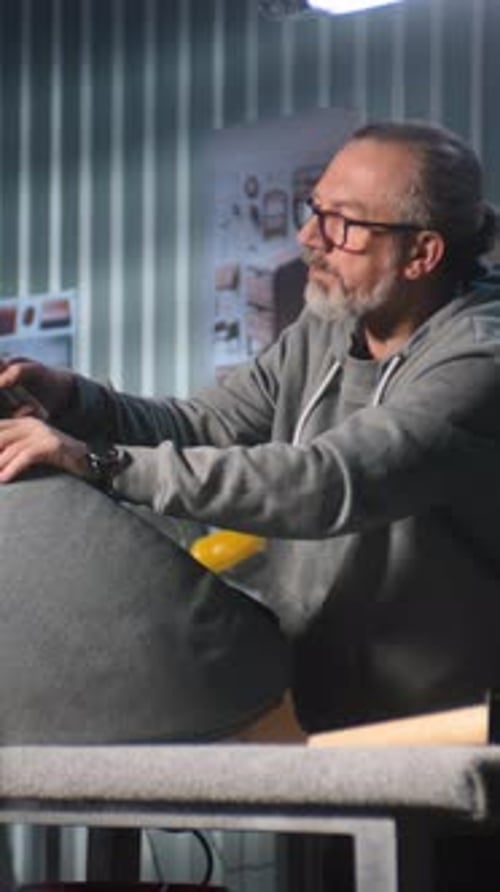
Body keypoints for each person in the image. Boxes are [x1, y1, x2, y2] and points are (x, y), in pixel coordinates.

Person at [1, 119, 500, 736]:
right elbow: (203, 424)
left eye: (342, 223)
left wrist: (100, 462)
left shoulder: (480, 357)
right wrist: (76, 399)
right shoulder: (327, 327)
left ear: (423, 253)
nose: (307, 237)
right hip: (326, 708)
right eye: (313, 208)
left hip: (451, 728)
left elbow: (327, 483)